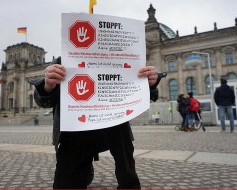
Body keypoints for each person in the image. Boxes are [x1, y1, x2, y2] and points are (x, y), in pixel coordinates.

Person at [29, 56, 162, 189]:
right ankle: (86, 166)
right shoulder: (63, 60)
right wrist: (47, 86)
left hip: (115, 126)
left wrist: (149, 83)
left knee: (127, 172)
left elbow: (137, 89)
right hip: (74, 130)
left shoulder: (123, 55)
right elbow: (43, 101)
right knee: (67, 180)